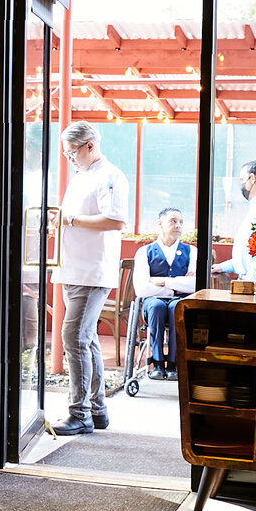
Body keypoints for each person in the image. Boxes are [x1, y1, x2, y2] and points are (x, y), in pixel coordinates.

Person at [52, 121, 128, 435]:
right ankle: (96, 410)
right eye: (66, 154)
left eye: (72, 153)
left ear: (90, 146)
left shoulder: (110, 176)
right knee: (87, 339)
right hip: (73, 267)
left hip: (91, 271)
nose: (69, 158)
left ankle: (79, 412)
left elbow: (115, 220)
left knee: (74, 338)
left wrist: (71, 219)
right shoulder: (82, 177)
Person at [132, 207, 196, 379]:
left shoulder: (192, 251)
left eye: (181, 222)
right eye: (173, 221)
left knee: (177, 306)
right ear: (160, 224)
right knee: (157, 306)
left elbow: (195, 285)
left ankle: (174, 364)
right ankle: (157, 364)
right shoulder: (144, 252)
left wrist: (163, 281)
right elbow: (141, 288)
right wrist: (178, 284)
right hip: (153, 301)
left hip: (180, 300)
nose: (178, 226)